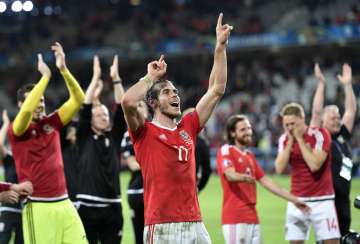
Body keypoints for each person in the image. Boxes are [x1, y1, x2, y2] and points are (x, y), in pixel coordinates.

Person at [121, 13, 232, 243]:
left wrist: (219, 49)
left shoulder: (188, 127)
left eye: (176, 92)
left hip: (195, 223)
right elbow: (128, 102)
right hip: (162, 226)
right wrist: (150, 77)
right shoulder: (144, 133)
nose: (175, 95)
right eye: (167, 92)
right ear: (153, 103)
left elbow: (217, 89)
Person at [7, 42, 87, 244]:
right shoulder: (17, 130)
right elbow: (26, 111)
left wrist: (63, 70)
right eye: (35, 100)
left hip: (65, 202)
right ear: (20, 104)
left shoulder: (52, 123)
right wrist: (45, 77)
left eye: (42, 100)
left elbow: (78, 99)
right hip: (38, 206)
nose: (39, 104)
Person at [217, 114, 309, 244]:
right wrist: (244, 177)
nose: (248, 132)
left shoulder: (249, 156)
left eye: (249, 128)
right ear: (232, 133)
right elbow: (229, 174)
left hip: (253, 217)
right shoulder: (226, 150)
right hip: (235, 218)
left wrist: (294, 200)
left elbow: (267, 182)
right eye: (243, 130)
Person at [76, 55, 125, 244]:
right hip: (88, 205)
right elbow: (86, 106)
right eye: (100, 115)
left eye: (106, 114)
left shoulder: (113, 138)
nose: (105, 117)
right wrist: (95, 78)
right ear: (91, 120)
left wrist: (116, 78)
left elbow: (121, 108)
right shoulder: (84, 137)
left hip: (113, 206)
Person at [275, 102, 340, 244]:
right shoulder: (284, 139)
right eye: (287, 125)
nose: (290, 128)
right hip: (297, 200)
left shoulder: (320, 134)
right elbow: (279, 169)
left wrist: (299, 139)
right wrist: (291, 141)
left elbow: (314, 165)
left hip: (323, 200)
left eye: (293, 124)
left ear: (302, 118)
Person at [310, 63, 357, 237]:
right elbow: (315, 113)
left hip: (344, 200)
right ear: (322, 121)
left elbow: (351, 111)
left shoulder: (342, 137)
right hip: (328, 201)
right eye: (332, 117)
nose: (337, 120)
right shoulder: (320, 138)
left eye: (338, 117)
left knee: (344, 238)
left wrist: (347, 85)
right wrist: (321, 85)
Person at [121, 100, 148, 244]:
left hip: (157, 192)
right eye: (136, 107)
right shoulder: (128, 135)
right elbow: (132, 164)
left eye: (141, 106)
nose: (138, 110)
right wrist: (154, 162)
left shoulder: (155, 131)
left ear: (148, 111)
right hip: (137, 192)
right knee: (140, 237)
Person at [0, 110, 25, 244]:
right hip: (8, 206)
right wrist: (5, 124)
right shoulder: (10, 158)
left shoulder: (29, 160)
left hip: (24, 210)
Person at [182, 107, 211, 193]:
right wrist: (199, 187)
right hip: (190, 187)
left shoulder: (172, 136)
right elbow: (206, 170)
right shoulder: (202, 142)